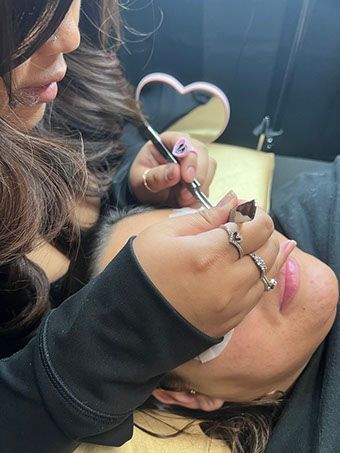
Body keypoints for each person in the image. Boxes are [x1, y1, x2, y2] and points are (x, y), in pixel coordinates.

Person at [0, 1, 281, 452]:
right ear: (178, 392)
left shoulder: (61, 80)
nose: (69, 36)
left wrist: (124, 187)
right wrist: (110, 345)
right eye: (18, 16)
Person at [86, 156, 339, 453]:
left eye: (210, 234)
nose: (246, 258)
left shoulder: (321, 200)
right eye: (194, 301)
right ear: (185, 395)